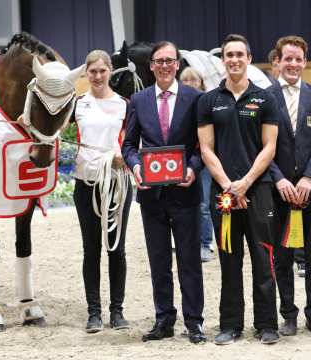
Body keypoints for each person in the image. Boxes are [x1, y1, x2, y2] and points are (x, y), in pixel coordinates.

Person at [197, 34, 280, 345]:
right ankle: (230, 324)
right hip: (224, 195)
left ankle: (267, 324)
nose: (233, 59)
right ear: (223, 60)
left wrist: (245, 183)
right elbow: (206, 149)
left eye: (239, 54)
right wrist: (228, 186)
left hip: (258, 192)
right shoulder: (208, 101)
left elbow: (269, 146)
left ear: (248, 58)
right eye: (228, 54)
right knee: (229, 258)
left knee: (263, 258)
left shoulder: (265, 98)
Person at [122, 41, 206, 344]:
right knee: (159, 261)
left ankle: (194, 322)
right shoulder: (139, 100)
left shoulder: (196, 99)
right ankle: (164, 319)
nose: (165, 66)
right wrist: (136, 168)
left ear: (178, 64)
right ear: (152, 66)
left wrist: (193, 168)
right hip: (152, 196)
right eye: (160, 61)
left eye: (170, 61)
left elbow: (203, 146)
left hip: (185, 192)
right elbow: (129, 145)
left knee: (189, 261)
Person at [267, 36, 311, 337]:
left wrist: (309, 177)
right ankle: (288, 314)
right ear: (277, 61)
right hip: (278, 190)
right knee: (282, 256)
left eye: (298, 59)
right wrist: (279, 178)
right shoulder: (265, 97)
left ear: (305, 62)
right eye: (287, 58)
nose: (293, 64)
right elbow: (260, 146)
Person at [72, 50, 133, 333]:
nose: (97, 77)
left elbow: (132, 143)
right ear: (86, 73)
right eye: (92, 72)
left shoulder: (124, 105)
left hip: (117, 183)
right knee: (90, 249)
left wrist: (126, 160)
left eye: (102, 71)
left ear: (110, 71)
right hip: (86, 183)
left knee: (116, 248)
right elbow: (52, 129)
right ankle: (94, 313)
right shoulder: (78, 104)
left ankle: (117, 311)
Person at [179, 67, 214, 262]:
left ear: (201, 82)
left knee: (204, 203)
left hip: (204, 159)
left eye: (193, 80)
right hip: (183, 159)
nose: (190, 83)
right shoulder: (177, 102)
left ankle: (205, 244)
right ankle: (188, 242)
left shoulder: (207, 101)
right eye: (185, 80)